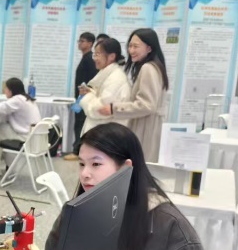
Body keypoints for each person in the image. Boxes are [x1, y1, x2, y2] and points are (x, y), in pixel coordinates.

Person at [63, 122, 206, 250]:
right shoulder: (76, 215)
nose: (84, 174)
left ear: (126, 168)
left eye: (96, 164)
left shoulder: (171, 229)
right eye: (81, 164)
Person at [98, 28, 168, 163]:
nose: (131, 51)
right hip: (150, 128)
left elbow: (146, 105)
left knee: (140, 167)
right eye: (130, 46)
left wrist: (114, 108)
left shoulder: (148, 68)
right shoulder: (155, 67)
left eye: (136, 46)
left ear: (149, 48)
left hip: (145, 129)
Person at [0, 77, 41, 174]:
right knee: (3, 128)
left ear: (11, 90)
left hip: (26, 137)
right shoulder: (27, 99)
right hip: (36, 137)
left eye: (6, 88)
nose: (4, 90)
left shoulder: (17, 100)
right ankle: (1, 162)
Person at [79, 37, 131, 134]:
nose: (94, 58)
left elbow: (99, 110)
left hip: (105, 135)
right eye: (94, 54)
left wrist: (87, 96)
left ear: (111, 56)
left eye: (98, 54)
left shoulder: (116, 79)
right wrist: (91, 92)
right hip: (102, 132)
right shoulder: (108, 75)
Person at [64, 32, 98, 160]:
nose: (79, 43)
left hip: (85, 97)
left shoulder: (89, 59)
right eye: (79, 41)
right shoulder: (85, 58)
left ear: (90, 43)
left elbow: (91, 80)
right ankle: (78, 149)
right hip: (81, 97)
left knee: (80, 124)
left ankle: (77, 151)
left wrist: (85, 94)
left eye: (82, 41)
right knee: (79, 124)